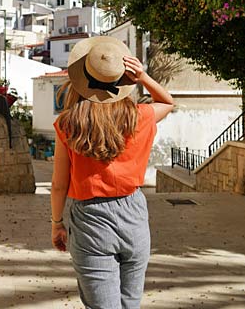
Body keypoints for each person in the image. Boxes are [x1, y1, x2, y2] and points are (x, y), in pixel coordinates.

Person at [50, 36, 175, 309]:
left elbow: (59, 184)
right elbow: (167, 102)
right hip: (134, 215)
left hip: (90, 219)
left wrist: (57, 223)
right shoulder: (139, 117)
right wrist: (143, 77)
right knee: (130, 304)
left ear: (82, 79)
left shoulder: (68, 124)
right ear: (122, 81)